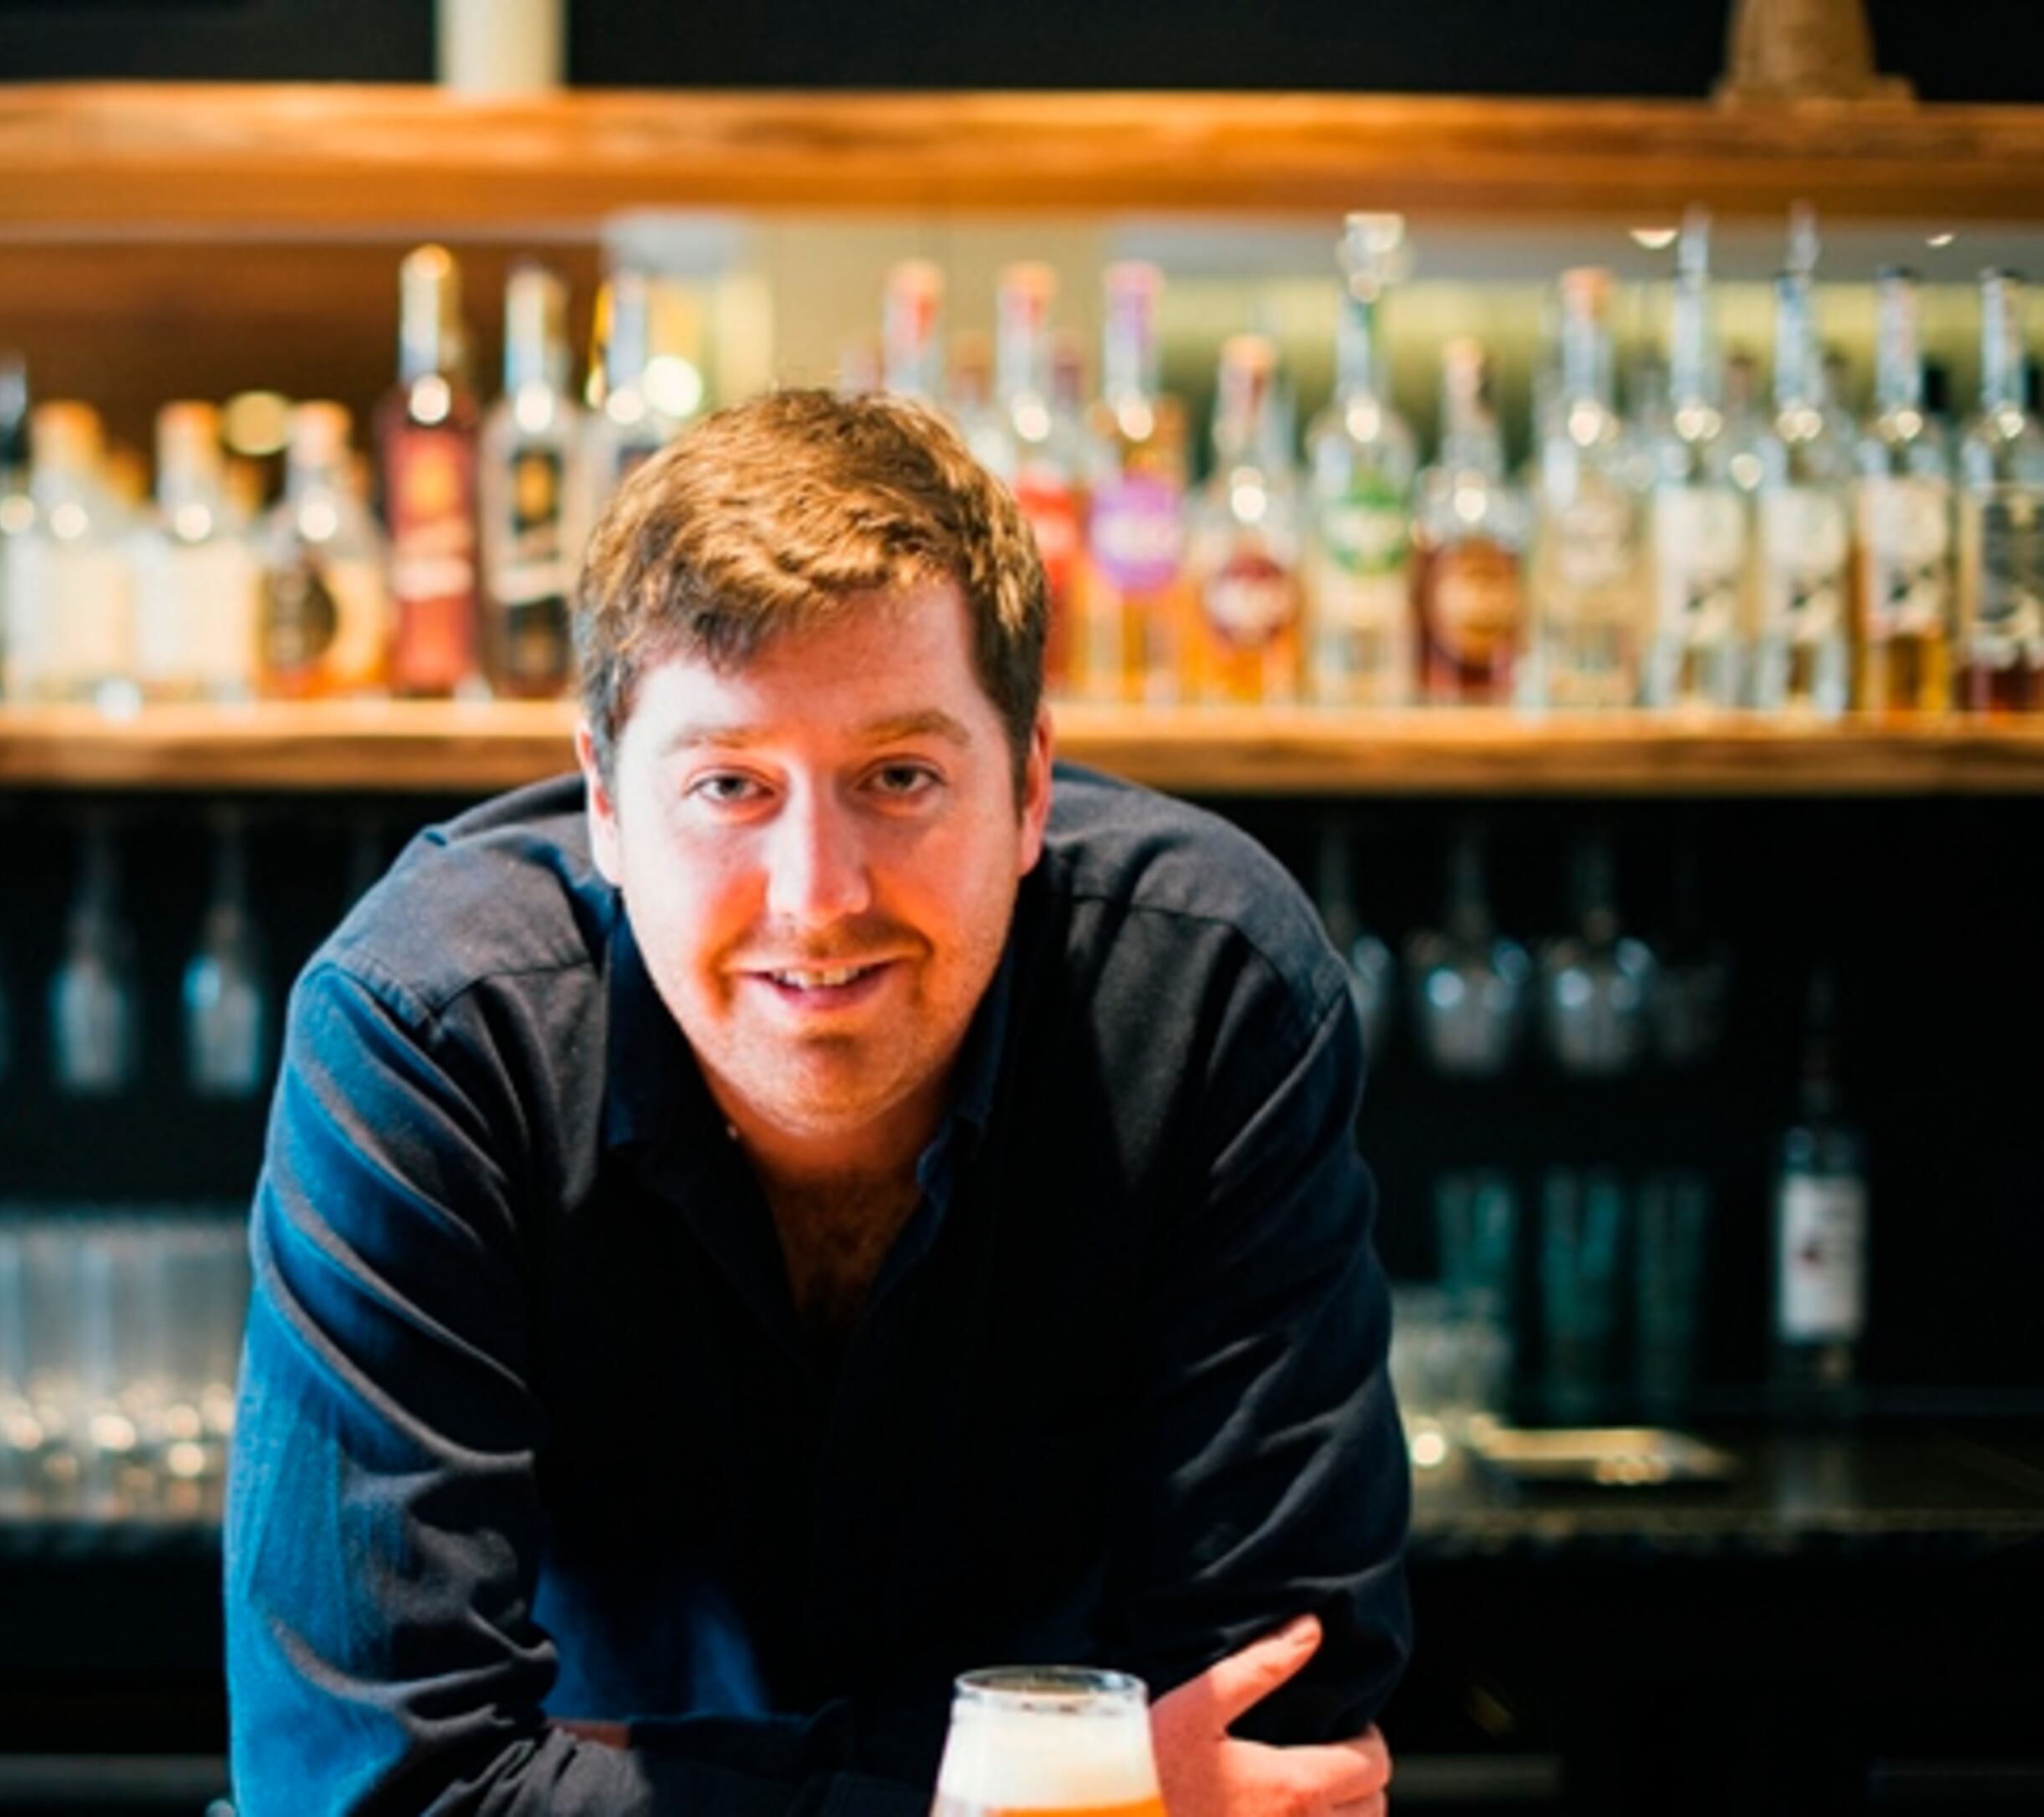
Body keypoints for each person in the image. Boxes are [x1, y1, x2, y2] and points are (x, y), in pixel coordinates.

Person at [224, 389, 1410, 1814]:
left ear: (1030, 787)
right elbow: (363, 1787)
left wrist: (608, 1778)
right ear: (605, 804)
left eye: (900, 777)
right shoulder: (427, 1032)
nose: (819, 895)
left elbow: (1282, 1744)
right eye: (730, 785)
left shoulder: (1210, 993)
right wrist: (1021, 1797)